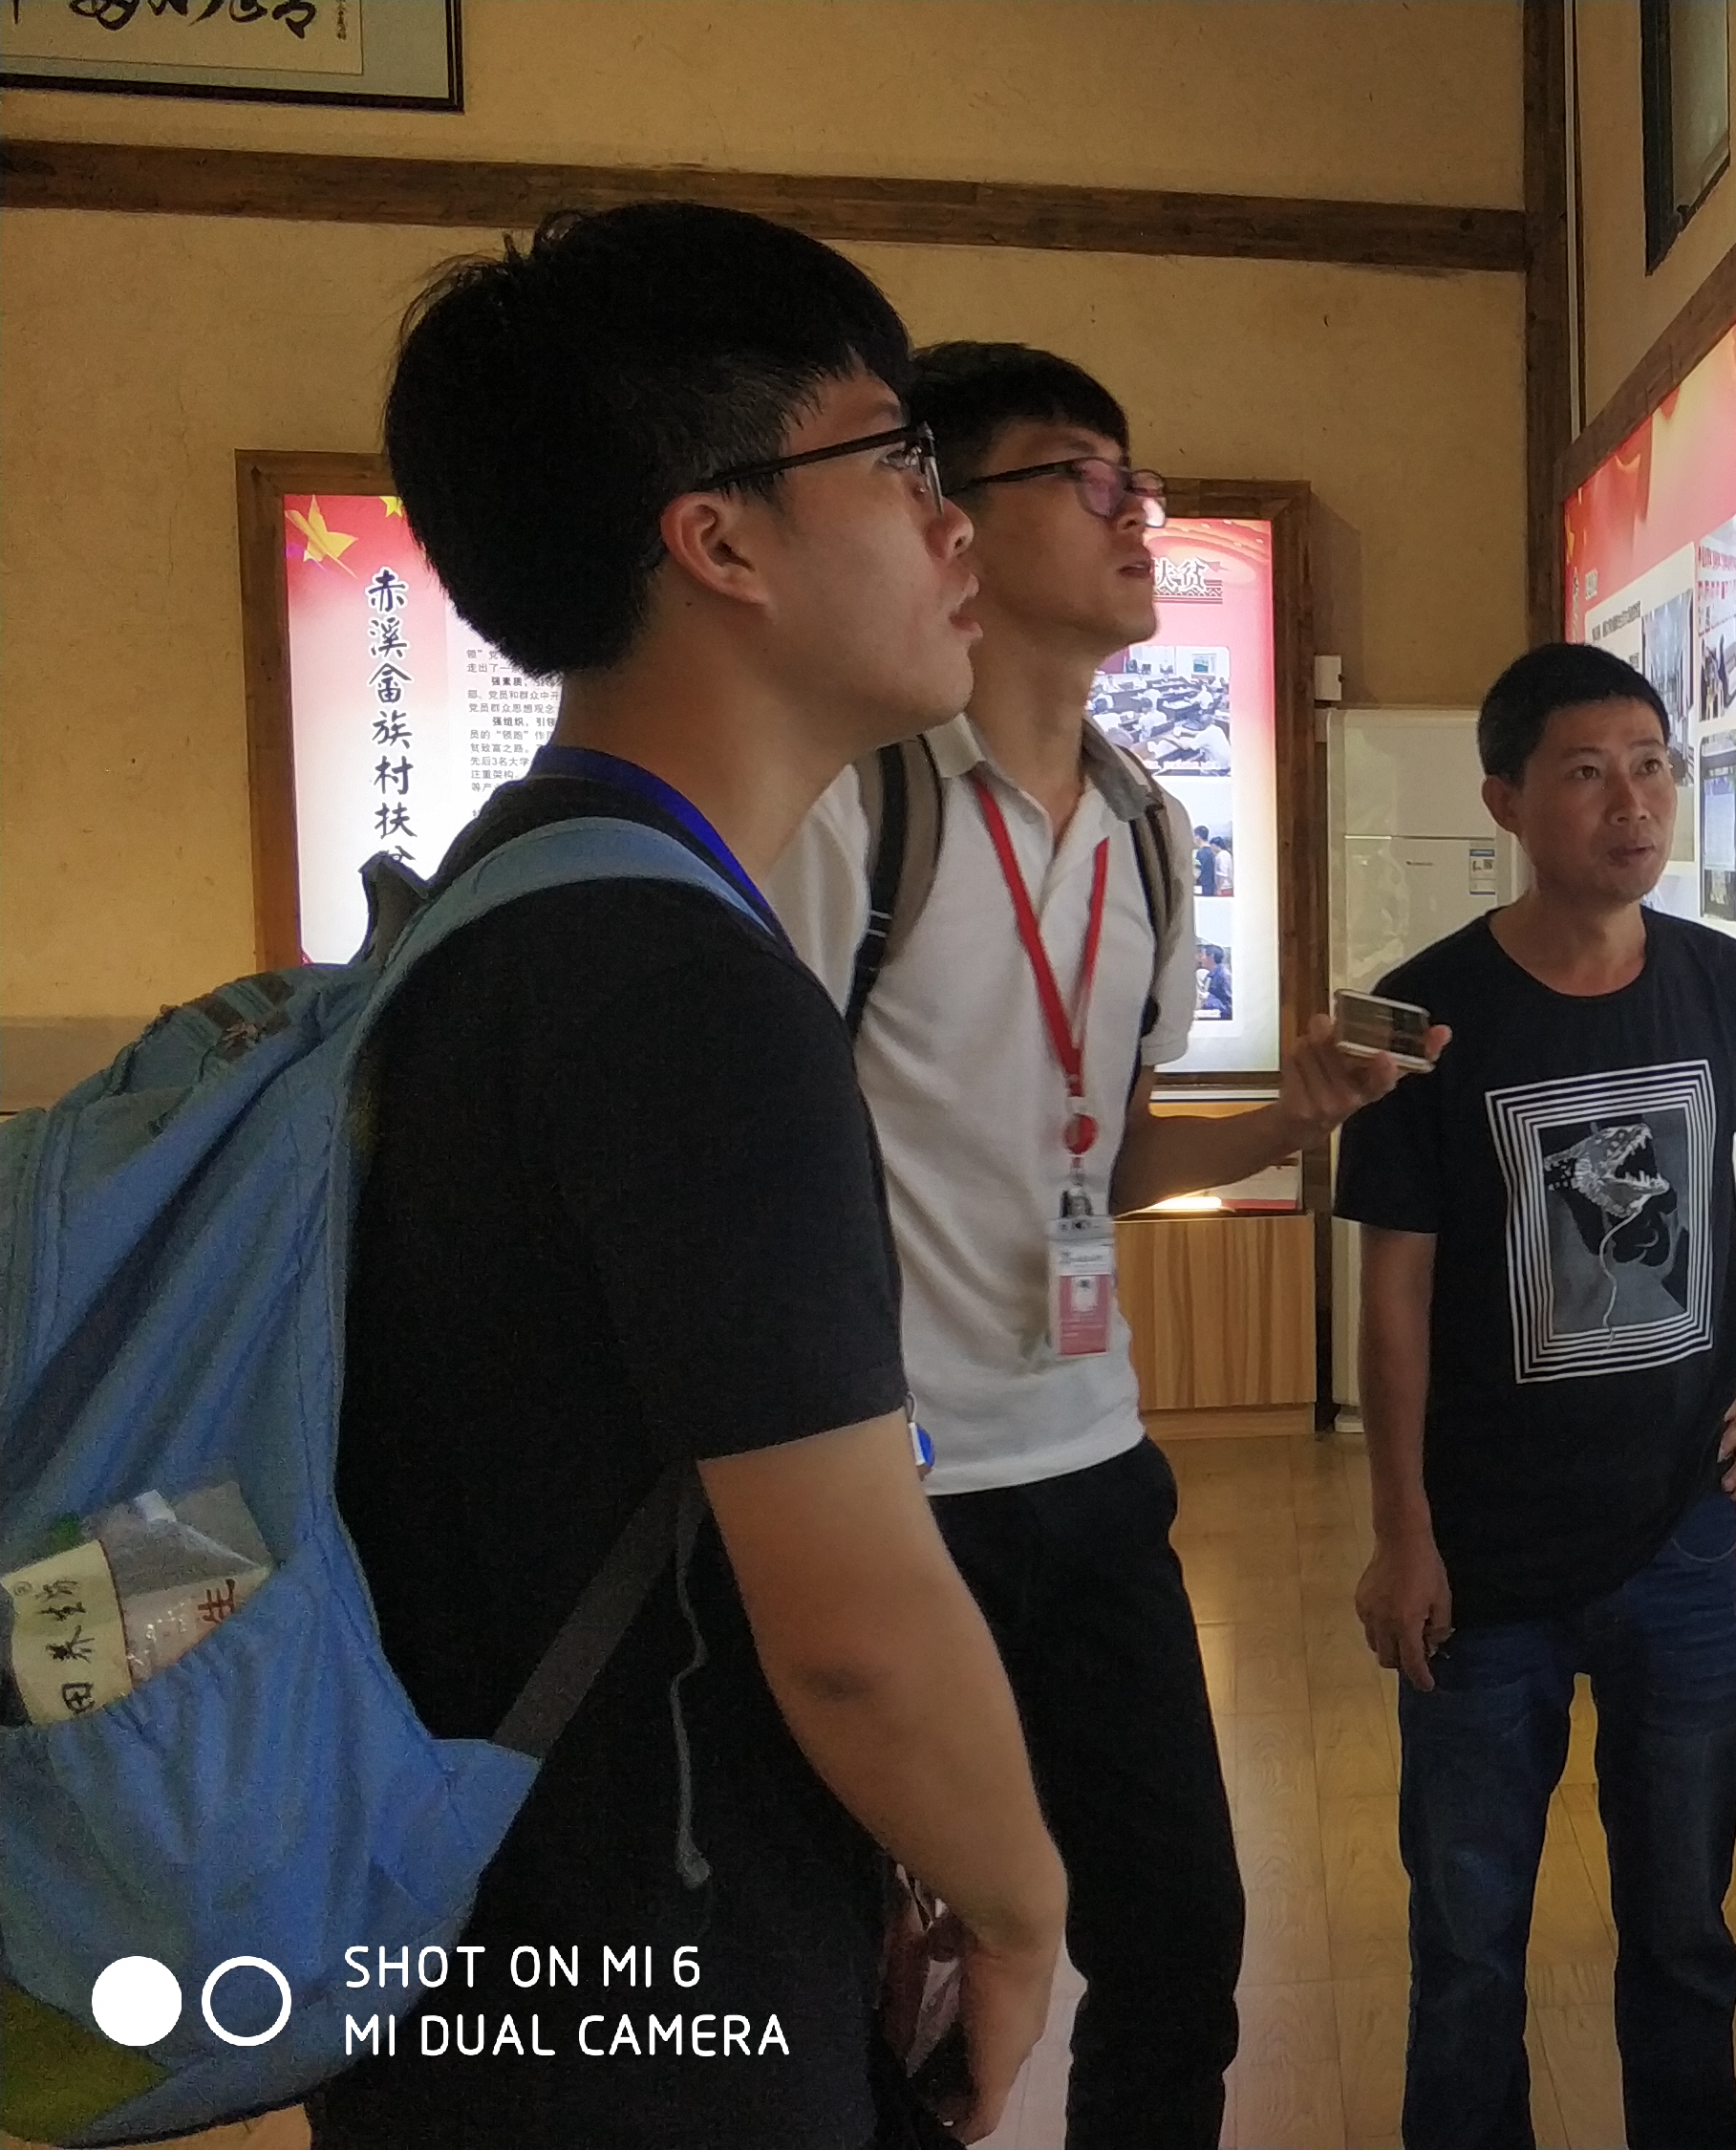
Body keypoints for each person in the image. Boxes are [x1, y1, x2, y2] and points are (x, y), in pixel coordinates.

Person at [320, 203, 1061, 2149]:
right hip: (653, 1999)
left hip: (468, 1956)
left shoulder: (496, 907)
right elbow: (854, 1633)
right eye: (899, 460)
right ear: (719, 541)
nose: (956, 526)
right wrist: (1018, 1912)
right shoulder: (680, 991)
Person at [763, 341, 1425, 2148]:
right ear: (950, 522)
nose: (1140, 517)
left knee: (1181, 1937)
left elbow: (1109, 1152)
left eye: (1143, 484)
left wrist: (1289, 1118)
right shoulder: (855, 808)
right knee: (859, 1966)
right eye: (1086, 476)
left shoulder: (1146, 827)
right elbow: (760, 1162)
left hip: (1092, 1460)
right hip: (888, 1492)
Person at [1339, 644, 1736, 2150]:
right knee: (1467, 1944)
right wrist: (1401, 1530)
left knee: (1685, 1925)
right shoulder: (1414, 1012)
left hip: (1678, 1536)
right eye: (1586, 770)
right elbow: (1392, 1294)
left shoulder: (1725, 981)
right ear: (1505, 797)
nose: (1633, 801)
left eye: (1652, 765)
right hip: (1480, 1558)